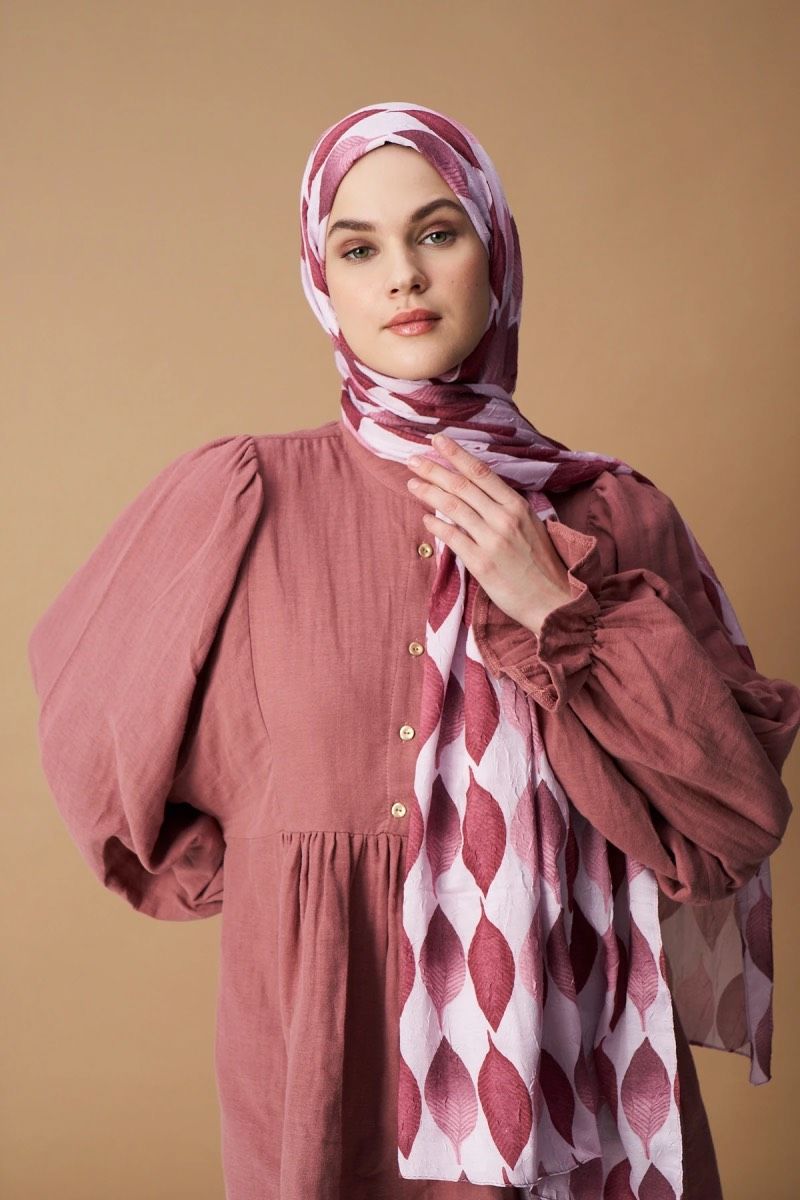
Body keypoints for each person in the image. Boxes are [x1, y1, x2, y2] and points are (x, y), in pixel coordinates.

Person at [27, 101, 800, 1200]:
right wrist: (280, 886)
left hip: (571, 1053)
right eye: (358, 248)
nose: (402, 276)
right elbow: (97, 751)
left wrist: (551, 604)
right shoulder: (245, 500)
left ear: (496, 252)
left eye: (437, 232)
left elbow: (728, 822)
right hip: (324, 1056)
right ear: (322, 282)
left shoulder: (615, 518)